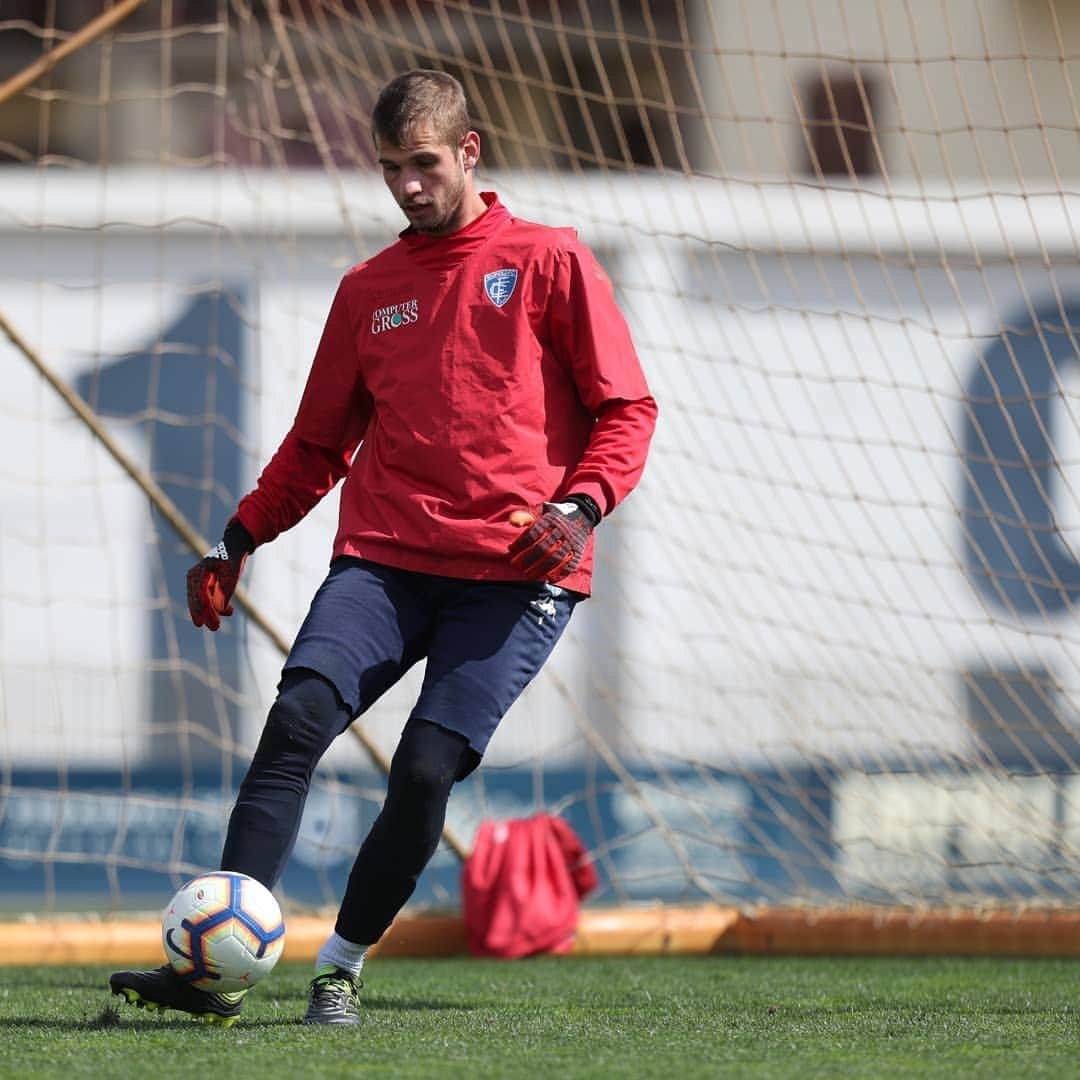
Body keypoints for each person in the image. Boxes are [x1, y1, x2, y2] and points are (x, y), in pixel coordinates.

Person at [109, 68, 657, 1027]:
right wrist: (236, 540)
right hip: (387, 558)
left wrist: (578, 509)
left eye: (424, 163)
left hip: (516, 572)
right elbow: (318, 444)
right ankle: (215, 972)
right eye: (390, 168)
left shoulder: (549, 260)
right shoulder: (370, 290)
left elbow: (627, 409)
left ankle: (340, 969)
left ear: (469, 152)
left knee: (423, 770)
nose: (407, 184)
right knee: (296, 721)